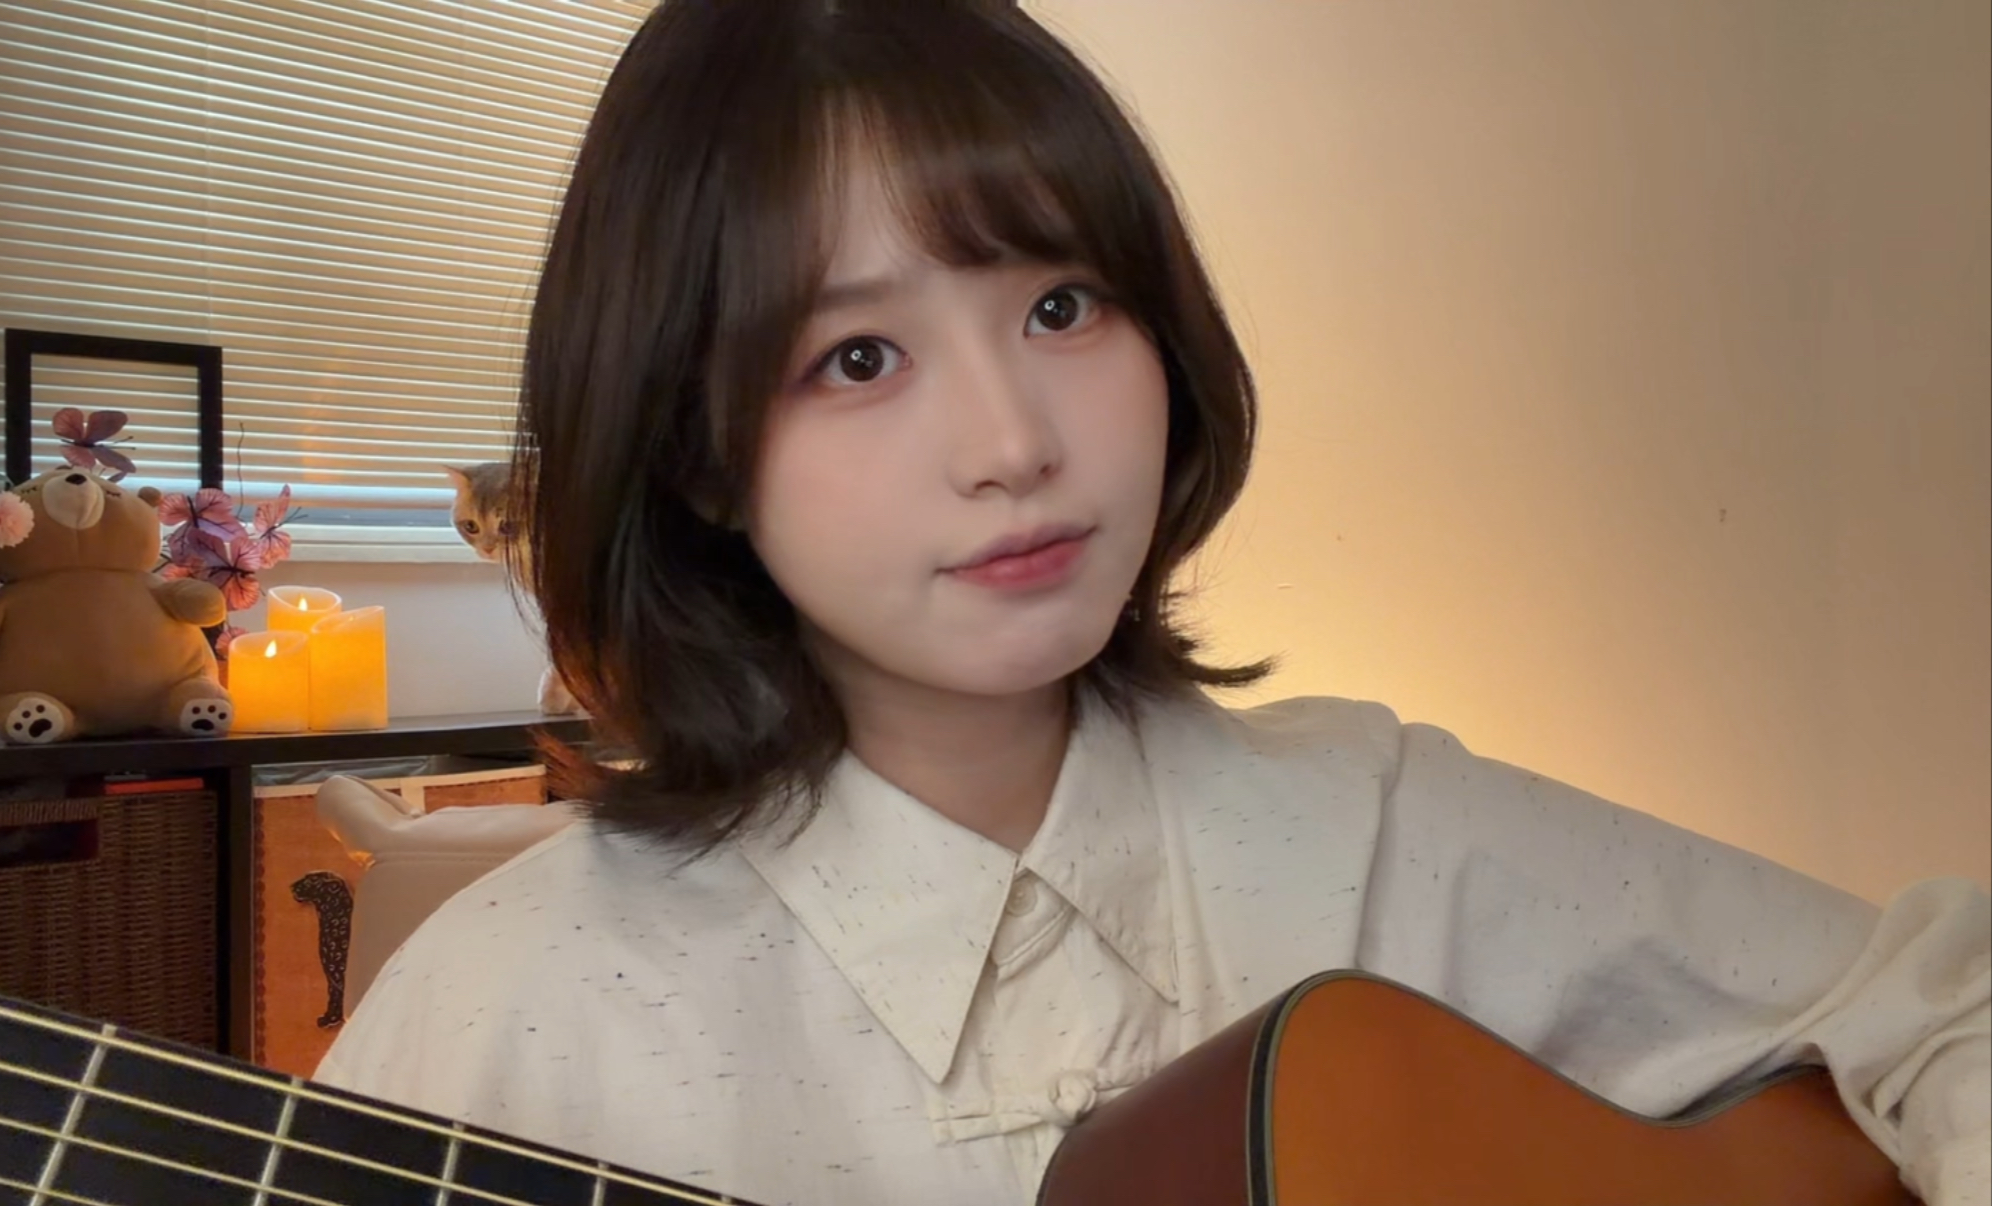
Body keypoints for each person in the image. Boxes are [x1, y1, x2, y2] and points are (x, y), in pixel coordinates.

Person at [315, 3, 1991, 1203]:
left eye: (1062, 305)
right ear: (693, 453)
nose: (1014, 444)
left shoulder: (1377, 826)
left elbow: (1948, 998)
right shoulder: (506, 1017)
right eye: (860, 356)